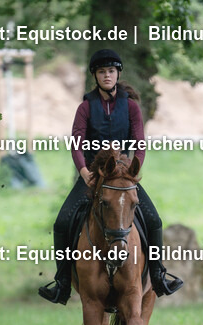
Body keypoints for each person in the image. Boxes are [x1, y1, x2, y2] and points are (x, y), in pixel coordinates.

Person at [38, 48, 183, 304]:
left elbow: (140, 143)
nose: (107, 76)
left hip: (123, 177)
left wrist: (133, 170)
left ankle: (158, 274)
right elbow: (76, 144)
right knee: (62, 222)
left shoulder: (131, 108)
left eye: (111, 71)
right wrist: (84, 172)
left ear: (118, 74)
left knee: (154, 221)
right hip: (93, 177)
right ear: (95, 75)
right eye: (102, 72)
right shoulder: (85, 107)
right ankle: (62, 282)